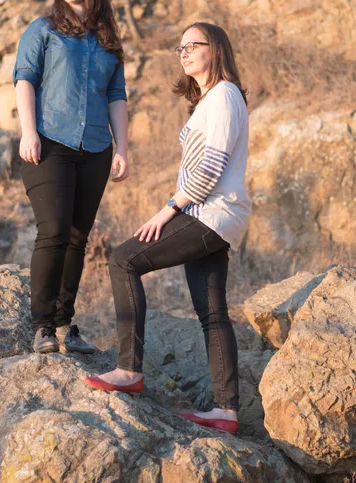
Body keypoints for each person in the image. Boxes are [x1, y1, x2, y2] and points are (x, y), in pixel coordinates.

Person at [84, 22, 252, 434]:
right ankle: (226, 410)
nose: (184, 52)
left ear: (215, 49)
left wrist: (168, 210)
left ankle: (127, 369)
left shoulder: (225, 95)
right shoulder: (210, 101)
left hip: (209, 212)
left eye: (193, 45)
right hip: (213, 214)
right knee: (212, 313)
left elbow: (211, 168)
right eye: (180, 48)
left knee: (124, 260)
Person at [13, 0, 129, 355]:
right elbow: (24, 80)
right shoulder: (43, 30)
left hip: (96, 147)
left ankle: (65, 324)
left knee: (78, 240)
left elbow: (116, 96)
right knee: (54, 231)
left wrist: (123, 149)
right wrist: (28, 132)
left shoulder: (108, 40)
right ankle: (42, 325)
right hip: (49, 143)